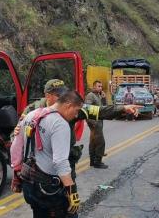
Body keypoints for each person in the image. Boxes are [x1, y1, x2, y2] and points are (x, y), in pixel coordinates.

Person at [10, 79, 140, 216]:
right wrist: (17, 170)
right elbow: (17, 139)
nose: (64, 98)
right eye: (59, 95)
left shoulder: (71, 107)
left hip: (63, 167)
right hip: (37, 172)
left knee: (66, 207)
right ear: (48, 96)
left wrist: (123, 108)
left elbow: (98, 110)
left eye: (65, 94)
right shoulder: (32, 110)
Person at [11, 90, 84, 217]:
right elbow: (60, 162)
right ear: (68, 105)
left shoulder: (31, 115)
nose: (77, 115)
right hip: (48, 190)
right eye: (76, 110)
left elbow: (16, 147)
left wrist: (17, 173)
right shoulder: (60, 124)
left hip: (29, 184)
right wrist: (72, 191)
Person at [85, 80, 108, 169]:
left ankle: (92, 161)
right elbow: (87, 109)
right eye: (98, 86)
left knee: (93, 142)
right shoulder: (90, 95)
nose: (100, 88)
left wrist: (104, 98)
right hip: (94, 122)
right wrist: (92, 123)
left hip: (99, 121)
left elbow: (103, 108)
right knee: (100, 142)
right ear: (93, 87)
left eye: (101, 86)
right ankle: (98, 162)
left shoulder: (98, 95)